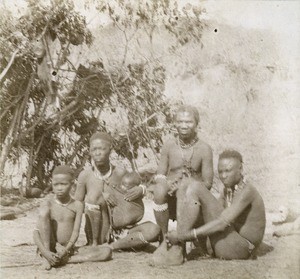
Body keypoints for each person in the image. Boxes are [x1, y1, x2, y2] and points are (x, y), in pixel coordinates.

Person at [166, 150, 266, 260]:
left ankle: (179, 240)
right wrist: (182, 192)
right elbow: (211, 214)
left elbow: (221, 223)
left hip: (242, 248)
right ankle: (180, 248)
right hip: (227, 243)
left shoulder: (247, 191)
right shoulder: (227, 190)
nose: (223, 176)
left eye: (228, 171)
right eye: (220, 171)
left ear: (241, 169)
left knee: (195, 187)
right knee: (185, 183)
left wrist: (186, 235)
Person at [75, 132, 159, 249]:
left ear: (110, 149)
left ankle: (113, 246)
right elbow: (75, 205)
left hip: (125, 230)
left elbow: (141, 186)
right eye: (94, 149)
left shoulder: (120, 173)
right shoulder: (85, 176)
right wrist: (99, 199)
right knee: (93, 197)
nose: (97, 153)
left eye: (101, 149)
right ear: (89, 151)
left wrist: (141, 189)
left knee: (154, 230)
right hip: (99, 230)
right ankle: (112, 244)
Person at [153, 105, 213, 253]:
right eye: (180, 122)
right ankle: (164, 238)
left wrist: (186, 186)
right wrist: (167, 185)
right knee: (159, 190)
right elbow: (160, 174)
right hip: (171, 196)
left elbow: (208, 183)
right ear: (175, 123)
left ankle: (182, 240)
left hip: (193, 200)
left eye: (188, 122)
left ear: (197, 124)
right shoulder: (169, 146)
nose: (184, 126)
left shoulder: (204, 149)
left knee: (183, 189)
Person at [33, 165, 112, 270]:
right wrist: (47, 252)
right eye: (56, 184)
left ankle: (60, 260)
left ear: (72, 184)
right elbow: (36, 233)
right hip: (49, 247)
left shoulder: (77, 205)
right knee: (44, 212)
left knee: (106, 252)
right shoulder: (47, 203)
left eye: (63, 184)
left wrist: (66, 250)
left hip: (67, 249)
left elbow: (75, 232)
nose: (59, 188)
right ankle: (48, 258)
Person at [103, 171, 161, 251]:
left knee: (154, 229)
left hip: (129, 231)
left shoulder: (135, 192)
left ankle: (115, 245)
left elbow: (150, 183)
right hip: (109, 231)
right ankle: (122, 244)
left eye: (126, 186)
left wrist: (142, 188)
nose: (123, 187)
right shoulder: (112, 184)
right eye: (122, 184)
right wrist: (103, 195)